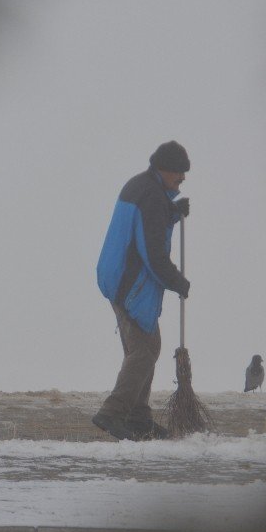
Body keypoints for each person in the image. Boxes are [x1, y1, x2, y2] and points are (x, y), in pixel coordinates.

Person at [93, 141, 191, 440]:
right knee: (144, 350)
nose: (182, 179)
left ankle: (138, 417)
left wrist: (171, 213)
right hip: (130, 281)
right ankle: (112, 413)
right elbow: (152, 252)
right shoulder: (151, 195)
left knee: (149, 346)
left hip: (119, 275)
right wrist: (176, 281)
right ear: (166, 169)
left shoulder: (145, 188)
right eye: (179, 173)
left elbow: (148, 226)